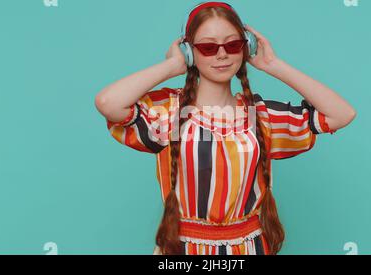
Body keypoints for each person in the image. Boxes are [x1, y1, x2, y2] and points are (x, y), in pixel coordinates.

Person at [94, 1, 356, 255]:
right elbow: (108, 102)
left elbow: (341, 114)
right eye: (208, 47)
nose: (222, 54)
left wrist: (274, 66)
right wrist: (172, 66)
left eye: (232, 45)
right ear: (189, 51)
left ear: (246, 48)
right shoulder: (169, 111)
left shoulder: (261, 115)